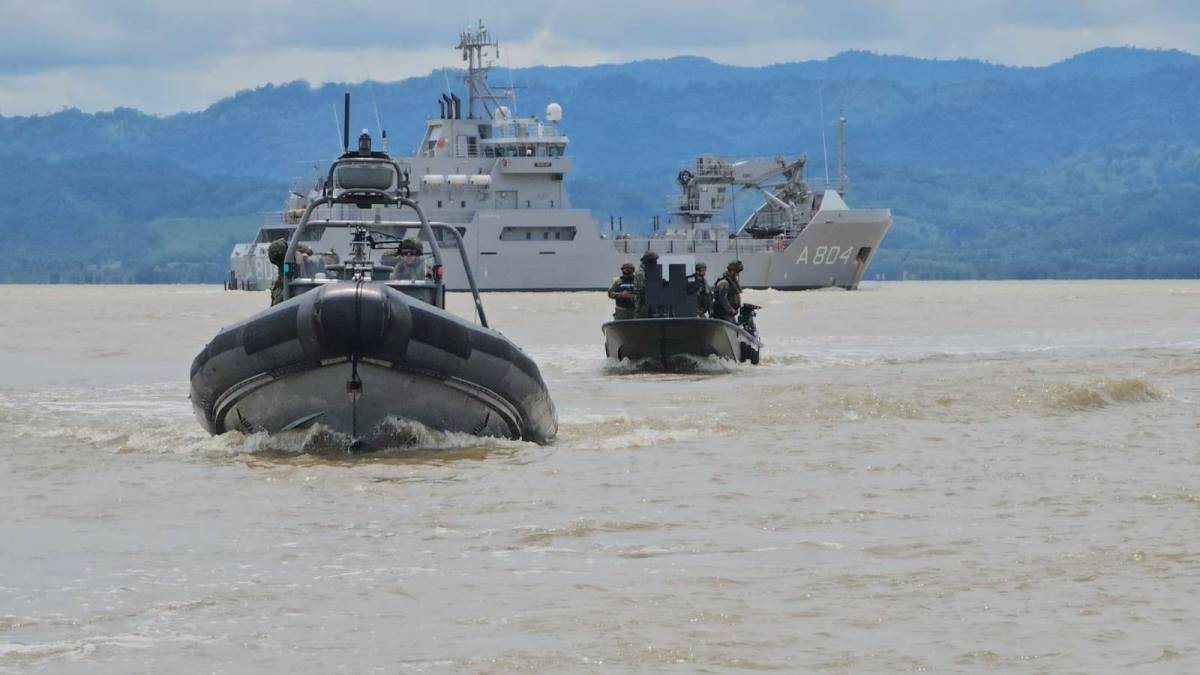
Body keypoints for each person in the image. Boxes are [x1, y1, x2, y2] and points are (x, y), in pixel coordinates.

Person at [267, 238, 312, 306]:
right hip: (290, 285)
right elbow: (309, 251)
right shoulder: (285, 263)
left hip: (292, 283)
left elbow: (309, 252)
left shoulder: (286, 260)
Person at [634, 250, 659, 318]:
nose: (656, 262)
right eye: (654, 260)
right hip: (642, 304)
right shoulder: (640, 273)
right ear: (649, 261)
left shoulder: (650, 270)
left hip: (650, 301)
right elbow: (643, 288)